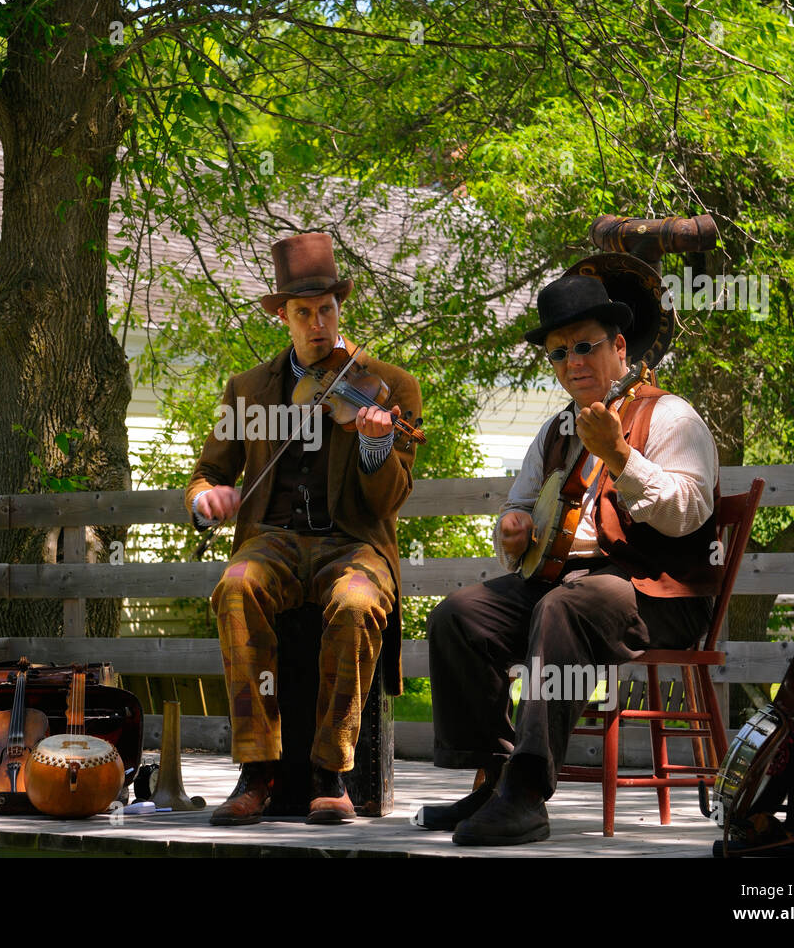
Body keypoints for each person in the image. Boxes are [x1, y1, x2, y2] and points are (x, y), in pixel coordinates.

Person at [418, 263, 721, 845]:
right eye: (559, 354)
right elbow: (523, 509)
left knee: (566, 605)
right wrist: (513, 531)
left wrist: (621, 458)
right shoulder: (553, 430)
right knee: (461, 615)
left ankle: (528, 794)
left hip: (653, 591)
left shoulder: (670, 415)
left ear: (620, 346)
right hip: (567, 583)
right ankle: (493, 776)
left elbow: (689, 510)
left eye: (585, 346)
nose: (573, 362)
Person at [186, 232, 422, 825]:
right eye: (303, 313)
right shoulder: (247, 390)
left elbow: (390, 499)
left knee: (358, 601)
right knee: (237, 586)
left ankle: (331, 772)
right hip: (275, 539)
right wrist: (206, 498)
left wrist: (376, 447)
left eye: (327, 310)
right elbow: (207, 472)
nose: (318, 323)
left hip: (354, 542)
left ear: (340, 311)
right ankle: (257, 770)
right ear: (284, 319)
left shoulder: (387, 386)